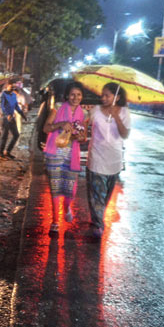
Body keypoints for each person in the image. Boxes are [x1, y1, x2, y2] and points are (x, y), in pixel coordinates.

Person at [86, 82, 131, 239]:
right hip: (96, 157)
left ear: (117, 97)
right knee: (97, 194)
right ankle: (98, 225)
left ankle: (97, 219)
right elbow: (82, 125)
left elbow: (125, 134)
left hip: (115, 160)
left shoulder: (124, 112)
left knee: (105, 196)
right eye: (102, 94)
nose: (103, 98)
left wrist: (116, 116)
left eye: (107, 95)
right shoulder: (95, 111)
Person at [43, 82, 87, 236]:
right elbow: (46, 128)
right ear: (67, 95)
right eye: (73, 94)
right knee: (55, 189)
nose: (76, 98)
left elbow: (82, 136)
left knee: (70, 189)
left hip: (71, 155)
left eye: (79, 95)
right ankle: (55, 222)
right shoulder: (57, 109)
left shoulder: (83, 114)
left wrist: (80, 137)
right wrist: (60, 124)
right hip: (55, 153)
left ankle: (67, 206)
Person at [0, 80, 27, 160]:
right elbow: (1, 106)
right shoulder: (2, 95)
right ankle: (0, 154)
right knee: (4, 136)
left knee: (16, 134)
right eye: (11, 86)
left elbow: (16, 106)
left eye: (14, 86)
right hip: (4, 117)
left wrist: (22, 114)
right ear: (7, 86)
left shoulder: (14, 95)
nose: (13, 88)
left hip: (12, 117)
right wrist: (7, 115)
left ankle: (7, 152)